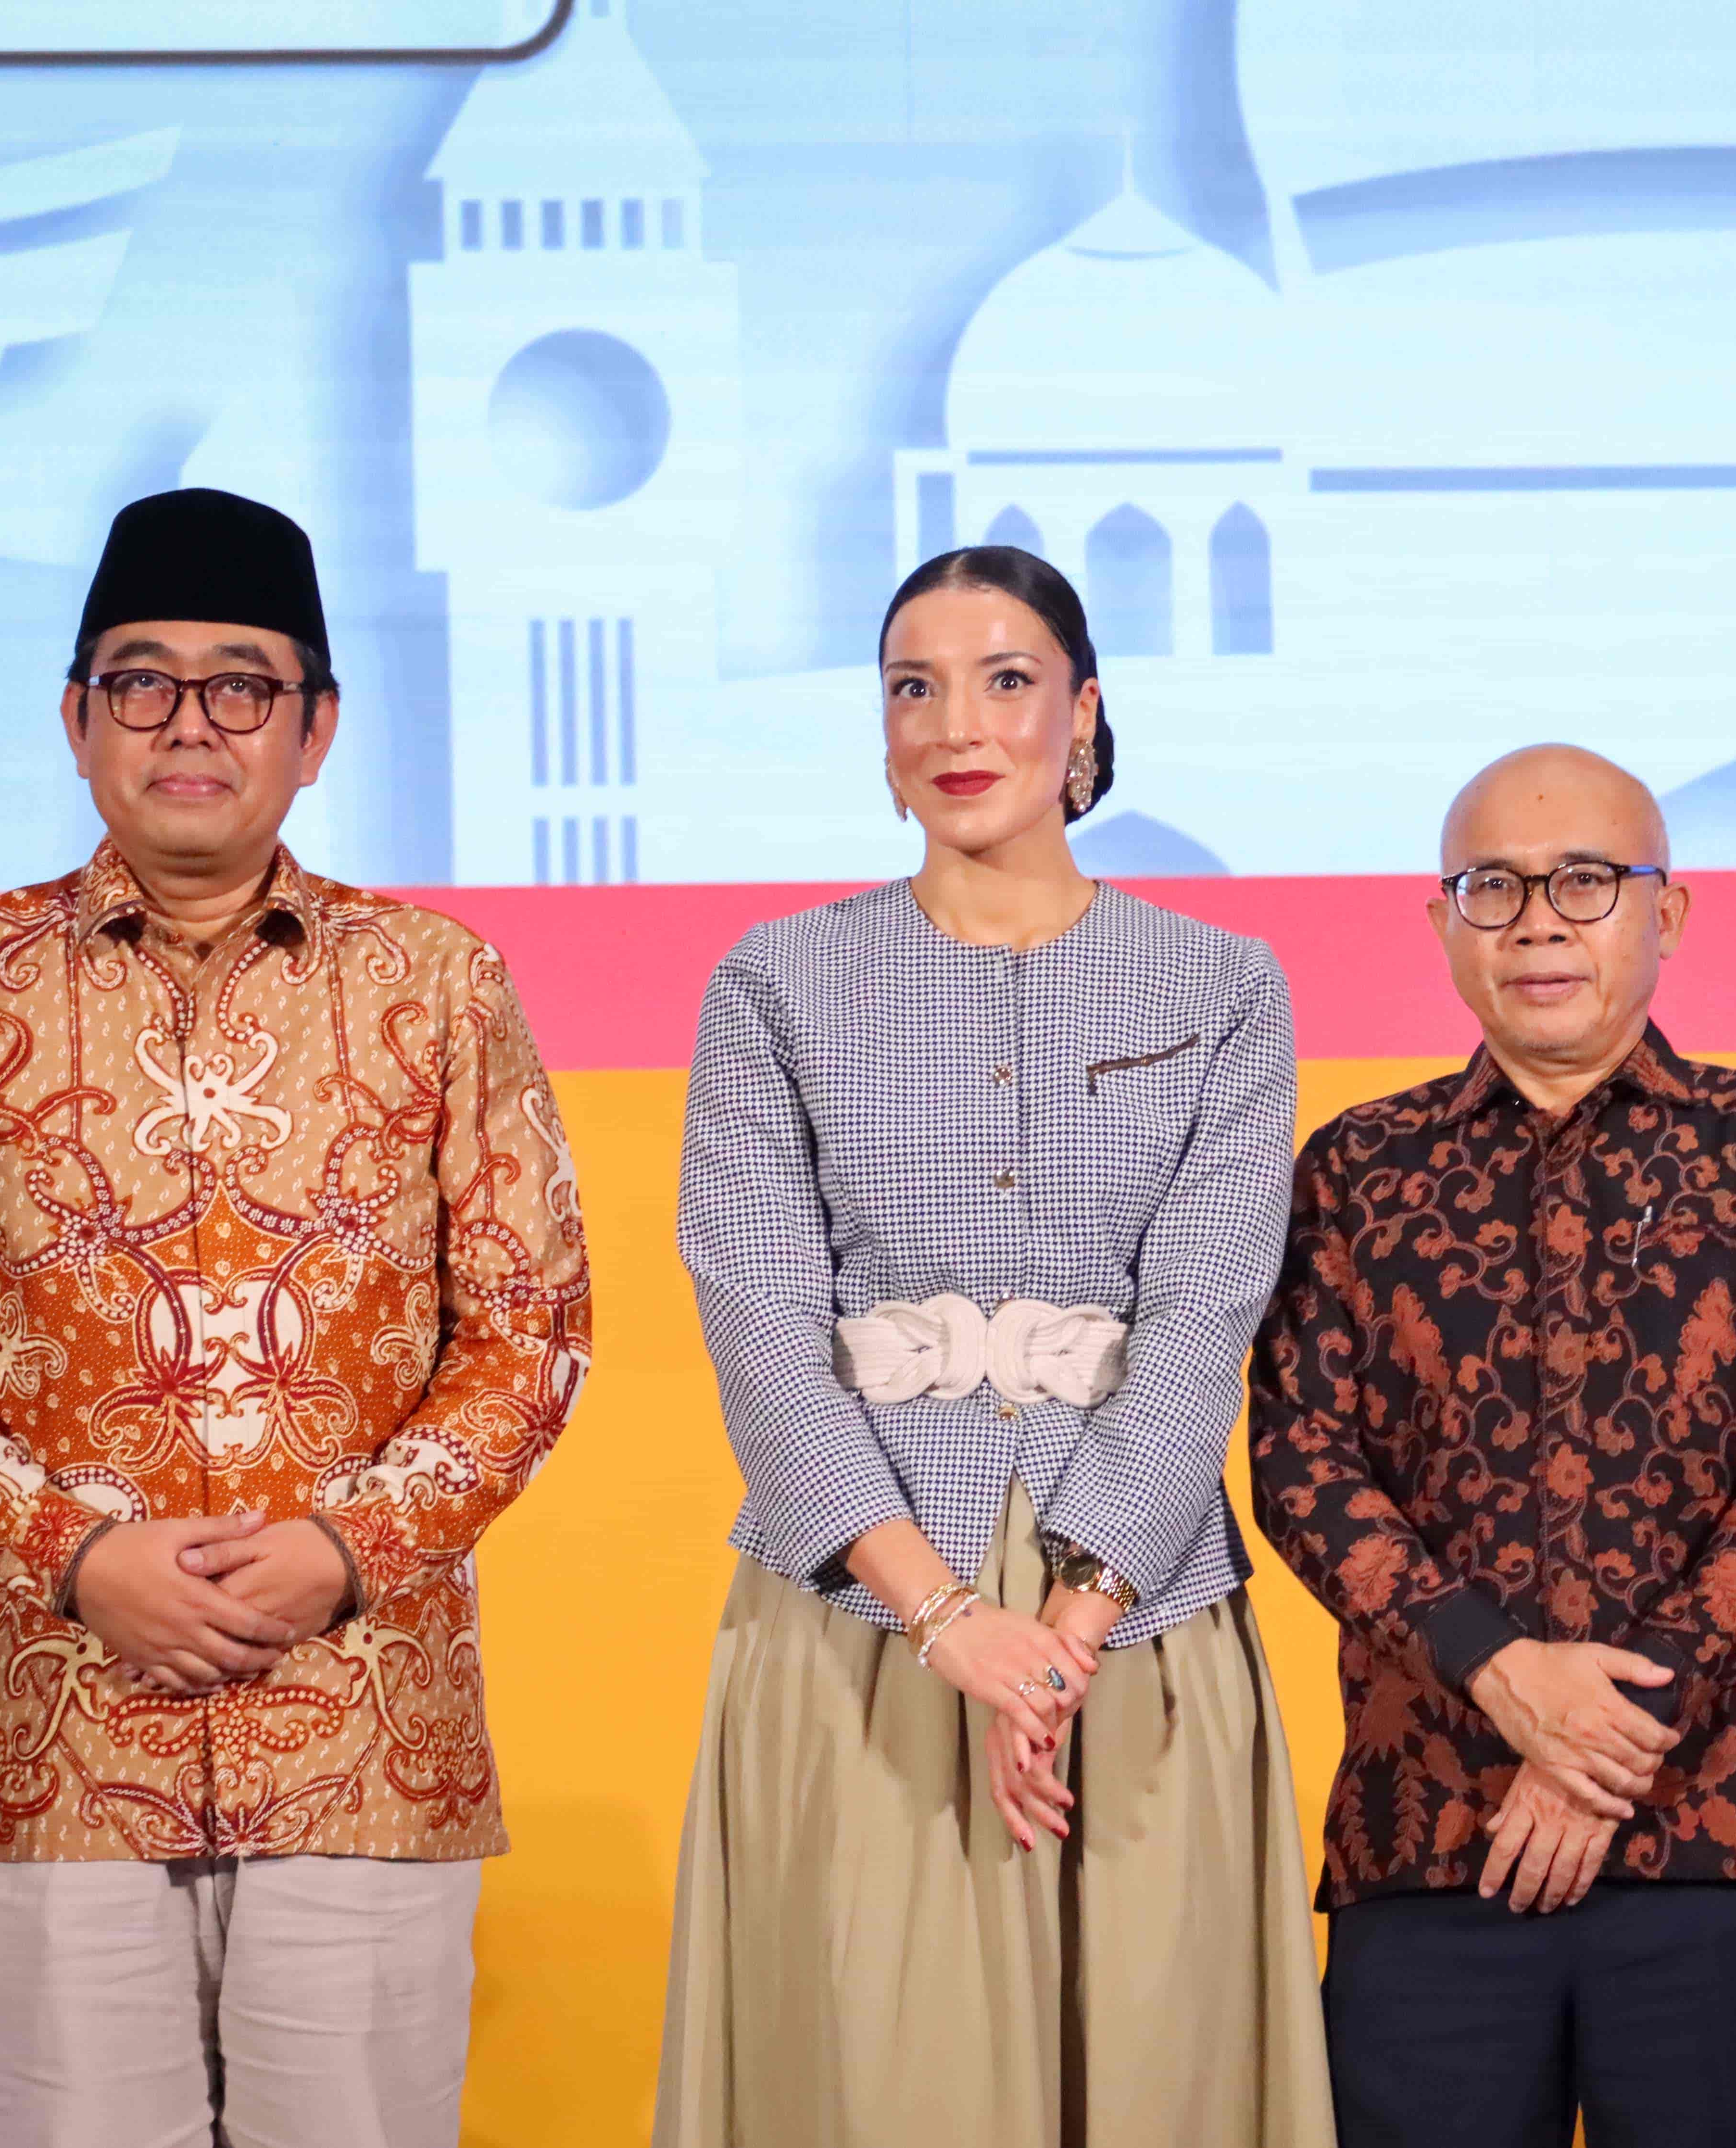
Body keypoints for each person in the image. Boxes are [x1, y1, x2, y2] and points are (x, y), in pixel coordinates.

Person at [0, 487, 594, 2144]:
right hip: (38, 1726)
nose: (190, 721)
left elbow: (530, 1331)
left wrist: (347, 1546)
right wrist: (75, 1554)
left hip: (362, 1726)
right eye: (143, 678)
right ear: (76, 718)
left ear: (316, 730)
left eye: (242, 683)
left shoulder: (438, 981)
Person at [654, 543, 1330, 2148]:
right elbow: (760, 1327)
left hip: (1140, 1618)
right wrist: (949, 1620)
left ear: (1083, 713)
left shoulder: (1224, 984)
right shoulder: (775, 981)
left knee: (1156, 2078)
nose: (957, 723)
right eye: (915, 686)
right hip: (861, 1619)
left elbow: (1204, 1319)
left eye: (1006, 680)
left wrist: (1068, 1633)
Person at [1249, 744, 1736, 2148]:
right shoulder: (1355, 1169)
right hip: (1433, 1841)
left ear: (1669, 911)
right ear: (1442, 924)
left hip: (1714, 1833)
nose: (1537, 922)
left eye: (1585, 882)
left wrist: (1604, 1734)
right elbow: (1302, 1466)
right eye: (1495, 886)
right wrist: (1500, 1670)